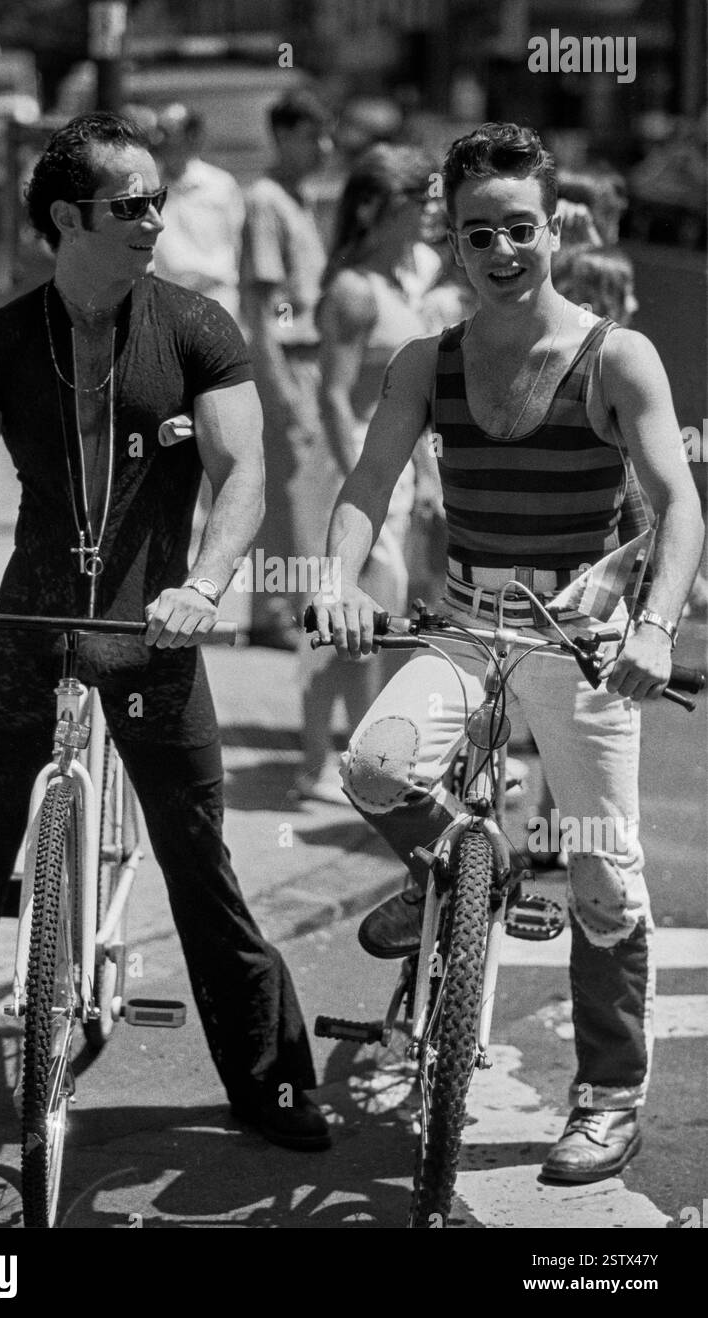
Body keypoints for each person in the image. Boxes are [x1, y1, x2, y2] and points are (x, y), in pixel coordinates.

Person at [0, 112, 329, 1153]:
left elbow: (243, 471)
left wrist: (205, 586)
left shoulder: (197, 325)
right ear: (66, 217)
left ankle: (269, 1080)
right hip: (30, 621)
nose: (153, 220)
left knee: (196, 864)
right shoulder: (2, 336)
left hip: (153, 631)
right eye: (130, 205)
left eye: (157, 200)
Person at [311, 123, 704, 1183]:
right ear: (450, 235)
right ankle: (450, 868)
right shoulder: (425, 361)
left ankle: (607, 1098)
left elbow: (678, 505)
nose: (499, 251)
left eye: (519, 230)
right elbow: (366, 484)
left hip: (579, 641)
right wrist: (334, 577)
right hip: (463, 621)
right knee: (374, 765)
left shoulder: (614, 355)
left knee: (601, 874)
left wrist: (655, 629)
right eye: (476, 231)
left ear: (554, 228)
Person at [289, 144, 438, 803]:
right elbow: (332, 393)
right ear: (381, 207)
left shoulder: (396, 287)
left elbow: (413, 400)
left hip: (387, 470)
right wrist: (363, 487)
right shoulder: (352, 291)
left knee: (374, 620)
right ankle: (314, 766)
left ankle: (357, 762)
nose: (432, 213)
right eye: (421, 201)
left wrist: (425, 475)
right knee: (339, 616)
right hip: (347, 467)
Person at [240, 87, 331, 649]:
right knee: (292, 491)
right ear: (281, 137)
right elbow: (266, 304)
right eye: (310, 136)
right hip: (287, 357)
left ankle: (276, 611)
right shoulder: (267, 201)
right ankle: (286, 613)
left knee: (292, 490)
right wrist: (277, 379)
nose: (322, 147)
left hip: (307, 357)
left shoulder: (299, 197)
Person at [149, 103, 246, 320]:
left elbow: (239, 244)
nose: (159, 139)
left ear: (192, 137)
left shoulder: (221, 185)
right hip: (165, 304)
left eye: (168, 132)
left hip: (217, 299)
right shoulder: (149, 189)